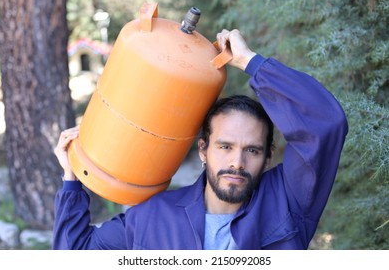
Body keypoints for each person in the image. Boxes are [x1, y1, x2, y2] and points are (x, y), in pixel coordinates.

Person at [53, 29, 348, 250]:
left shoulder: (288, 202)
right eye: (225, 146)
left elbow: (325, 124)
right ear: (203, 149)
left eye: (253, 150)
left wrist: (251, 63)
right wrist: (72, 179)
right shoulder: (154, 215)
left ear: (269, 156)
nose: (237, 162)